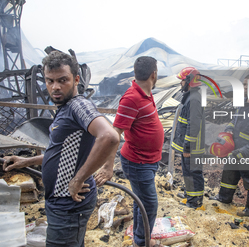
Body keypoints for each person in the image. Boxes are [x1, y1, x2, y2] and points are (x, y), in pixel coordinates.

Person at [2, 51, 120, 246]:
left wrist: (78, 179)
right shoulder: (65, 108)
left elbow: (109, 136)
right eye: (50, 81)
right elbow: (60, 153)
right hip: (61, 203)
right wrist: (26, 161)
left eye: (62, 80)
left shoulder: (78, 105)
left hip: (69, 205)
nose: (55, 87)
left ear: (75, 79)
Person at [109, 56, 164, 247]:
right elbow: (114, 134)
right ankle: (141, 242)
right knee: (149, 204)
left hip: (147, 161)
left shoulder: (145, 94)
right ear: (154, 74)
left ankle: (139, 237)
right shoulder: (131, 98)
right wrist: (108, 167)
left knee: (140, 201)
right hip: (137, 163)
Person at [210, 74, 249, 217]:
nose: (245, 87)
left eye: (248, 85)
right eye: (244, 84)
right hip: (234, 149)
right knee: (229, 175)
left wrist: (244, 151)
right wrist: (228, 129)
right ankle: (224, 198)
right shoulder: (242, 103)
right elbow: (234, 121)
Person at [171, 67, 205, 209]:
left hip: (193, 146)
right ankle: (190, 195)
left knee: (193, 173)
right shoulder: (191, 96)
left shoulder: (195, 99)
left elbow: (193, 125)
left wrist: (187, 147)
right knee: (188, 172)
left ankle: (194, 201)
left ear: (190, 81)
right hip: (191, 145)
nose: (181, 84)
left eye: (182, 80)